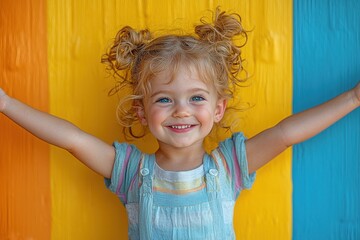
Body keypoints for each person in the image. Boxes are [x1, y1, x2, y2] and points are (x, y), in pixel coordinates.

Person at [0, 7, 359, 240]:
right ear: (142, 112)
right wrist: (6, 103)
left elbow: (286, 133)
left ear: (219, 109)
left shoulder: (230, 165)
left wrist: (354, 98)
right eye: (164, 99)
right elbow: (72, 139)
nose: (181, 111)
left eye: (197, 98)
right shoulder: (130, 171)